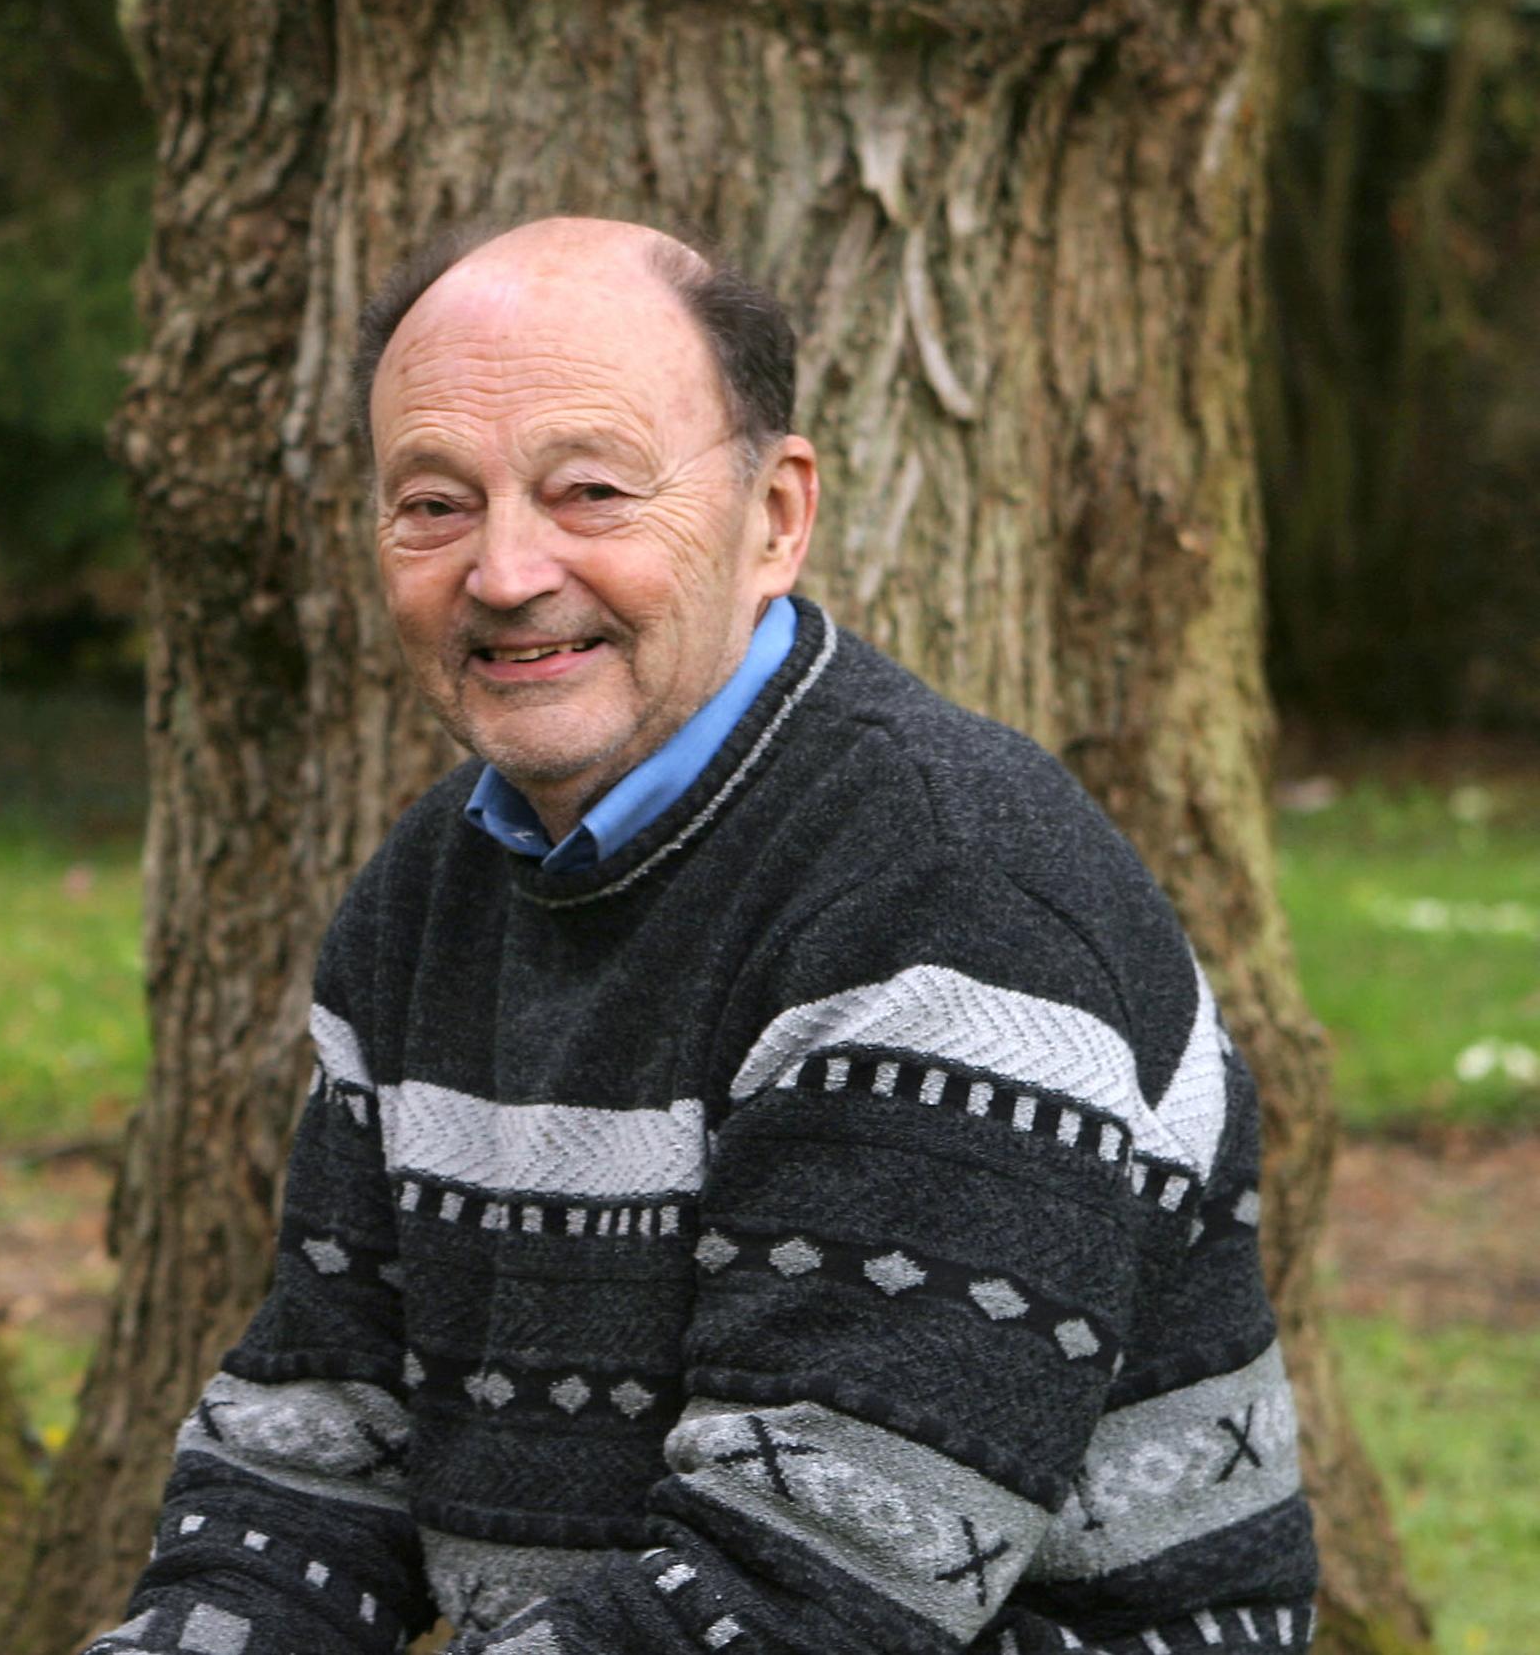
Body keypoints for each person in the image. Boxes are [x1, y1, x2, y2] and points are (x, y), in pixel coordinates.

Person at [86, 219, 1318, 1655]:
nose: (501, 568)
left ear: (774, 516)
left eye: (588, 489)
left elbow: (812, 1595)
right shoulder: (429, 891)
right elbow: (315, 1456)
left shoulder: (947, 901)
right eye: (431, 502)